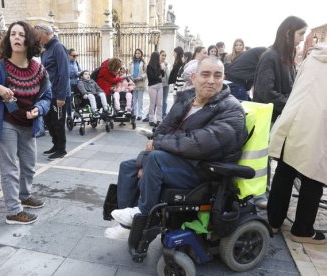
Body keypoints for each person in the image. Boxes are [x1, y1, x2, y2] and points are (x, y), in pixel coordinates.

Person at [104, 56, 247, 239]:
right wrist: (144, 160)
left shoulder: (231, 109)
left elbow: (200, 143)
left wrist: (157, 146)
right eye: (205, 74)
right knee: (128, 167)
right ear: (194, 77)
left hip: (204, 168)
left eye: (217, 75)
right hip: (180, 159)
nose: (211, 80)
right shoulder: (187, 98)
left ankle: (144, 215)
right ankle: (127, 224)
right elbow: (163, 129)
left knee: (154, 160)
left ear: (223, 78)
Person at [0, 21, 51, 225]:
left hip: (29, 123)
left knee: (29, 165)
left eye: (21, 34)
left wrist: (40, 109)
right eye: (13, 34)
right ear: (8, 40)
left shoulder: (39, 69)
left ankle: (24, 195)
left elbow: (47, 95)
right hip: (4, 123)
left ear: (29, 40)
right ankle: (13, 211)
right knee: (10, 168)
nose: (17, 38)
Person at [267, 42, 327, 245]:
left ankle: (273, 220)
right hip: (318, 126)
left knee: (285, 171)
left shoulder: (314, 54)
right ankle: (302, 230)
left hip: (293, 118)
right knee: (313, 176)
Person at [252, 16, 307, 209]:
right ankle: (260, 196)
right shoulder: (271, 56)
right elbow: (265, 93)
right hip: (268, 118)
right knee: (264, 158)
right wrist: (293, 105)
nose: (302, 38)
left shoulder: (287, 58)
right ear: (288, 32)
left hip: (280, 117)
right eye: (300, 34)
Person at [34, 24, 70, 160]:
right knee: (49, 122)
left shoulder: (58, 48)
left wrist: (61, 96)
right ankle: (55, 145)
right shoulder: (46, 50)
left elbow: (64, 73)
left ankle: (61, 149)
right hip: (48, 95)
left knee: (58, 123)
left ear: (46, 34)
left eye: (38, 36)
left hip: (58, 95)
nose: (37, 39)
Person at [146, 51, 164, 127]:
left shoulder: (159, 65)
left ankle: (159, 119)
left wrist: (162, 69)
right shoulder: (149, 66)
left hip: (160, 85)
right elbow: (151, 77)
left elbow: (162, 75)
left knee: (159, 103)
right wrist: (158, 76)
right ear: (155, 57)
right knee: (152, 103)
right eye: (159, 56)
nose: (160, 57)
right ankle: (151, 120)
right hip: (152, 86)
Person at [128, 48, 146, 121]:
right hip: (133, 82)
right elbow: (128, 72)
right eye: (136, 53)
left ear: (141, 54)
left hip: (140, 82)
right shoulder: (131, 62)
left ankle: (140, 115)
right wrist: (131, 77)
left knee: (140, 100)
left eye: (139, 53)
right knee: (134, 100)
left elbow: (146, 73)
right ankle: (134, 114)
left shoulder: (144, 63)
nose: (137, 54)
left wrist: (140, 77)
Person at [68, 48, 81, 119]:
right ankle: (69, 116)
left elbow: (80, 70)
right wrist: (76, 73)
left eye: (77, 55)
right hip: (69, 84)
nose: (75, 57)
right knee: (69, 99)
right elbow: (66, 73)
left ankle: (77, 112)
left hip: (77, 83)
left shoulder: (76, 62)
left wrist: (81, 73)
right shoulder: (65, 63)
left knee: (78, 97)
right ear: (69, 55)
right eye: (74, 55)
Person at [160, 50, 170, 118]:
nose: (164, 57)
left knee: (164, 100)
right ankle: (150, 115)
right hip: (159, 84)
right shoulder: (157, 64)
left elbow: (169, 74)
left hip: (166, 84)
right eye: (162, 55)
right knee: (156, 101)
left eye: (165, 55)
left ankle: (163, 114)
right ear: (159, 55)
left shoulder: (168, 64)